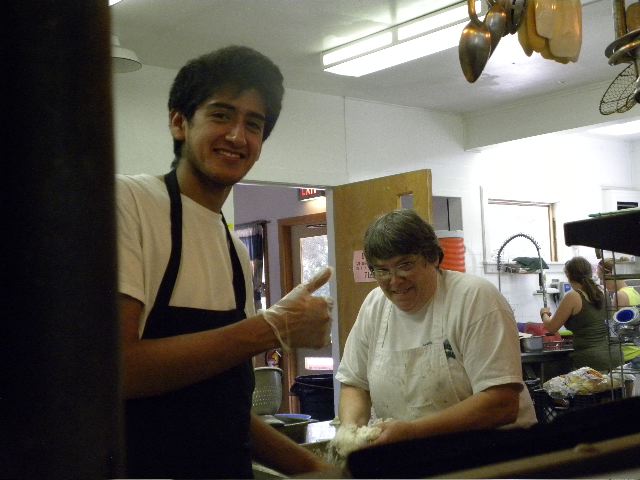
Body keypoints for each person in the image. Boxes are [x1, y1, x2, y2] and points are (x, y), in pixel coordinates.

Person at [116, 46, 337, 478]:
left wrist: (313, 467)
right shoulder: (130, 203)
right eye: (221, 115)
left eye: (253, 124)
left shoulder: (235, 253)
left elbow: (222, 408)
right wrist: (271, 327)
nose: (237, 136)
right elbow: (116, 371)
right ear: (179, 122)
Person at [335, 209, 536, 447]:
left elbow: (501, 403)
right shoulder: (374, 305)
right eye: (382, 270)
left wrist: (414, 432)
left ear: (432, 258)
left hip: (492, 452)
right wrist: (351, 434)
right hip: (415, 453)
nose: (395, 280)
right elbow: (355, 384)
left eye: (405, 265)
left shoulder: (474, 298)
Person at [540, 256, 624, 372]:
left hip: (592, 360)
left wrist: (544, 313)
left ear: (568, 275)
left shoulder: (573, 296)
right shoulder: (603, 291)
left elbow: (552, 327)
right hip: (615, 355)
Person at [597, 258, 640, 364]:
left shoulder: (619, 295)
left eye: (602, 278)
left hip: (627, 353)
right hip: (636, 349)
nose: (602, 283)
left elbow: (615, 330)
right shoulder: (633, 292)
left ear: (610, 275)